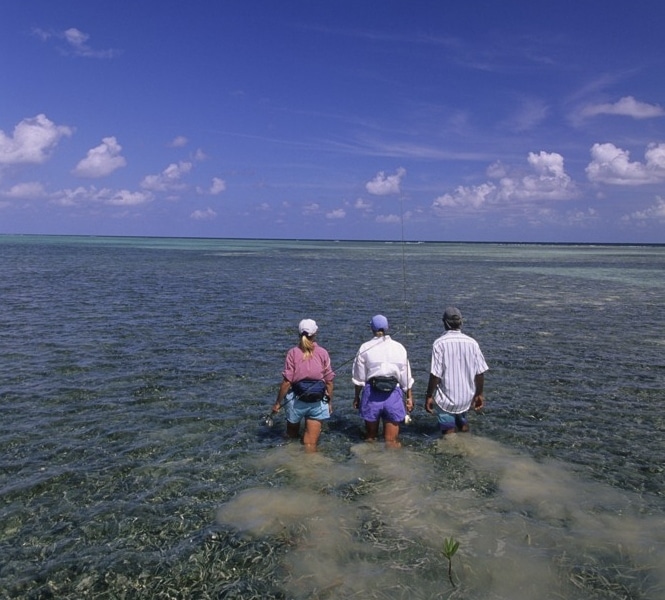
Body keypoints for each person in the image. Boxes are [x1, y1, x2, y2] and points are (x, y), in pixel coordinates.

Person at [271, 319, 335, 452]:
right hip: (318, 401)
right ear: (315, 333)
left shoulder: (292, 353)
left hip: (296, 401)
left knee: (291, 437)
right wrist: (329, 403)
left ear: (299, 333)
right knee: (310, 444)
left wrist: (277, 403)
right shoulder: (323, 352)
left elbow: (287, 382)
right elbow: (329, 381)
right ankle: (310, 468)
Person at [352, 315, 414, 448]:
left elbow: (359, 379)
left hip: (372, 395)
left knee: (370, 438)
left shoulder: (364, 347)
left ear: (371, 328)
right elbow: (406, 377)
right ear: (387, 328)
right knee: (391, 441)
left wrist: (356, 397)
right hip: (393, 395)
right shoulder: (399, 348)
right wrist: (409, 398)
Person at [425, 306, 489, 435]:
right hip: (466, 396)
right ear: (461, 322)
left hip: (447, 398)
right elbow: (480, 373)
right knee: (463, 425)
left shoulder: (439, 344)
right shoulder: (472, 343)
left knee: (448, 432)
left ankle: (452, 450)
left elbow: (435, 375)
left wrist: (429, 395)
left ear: (444, 322)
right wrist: (479, 394)